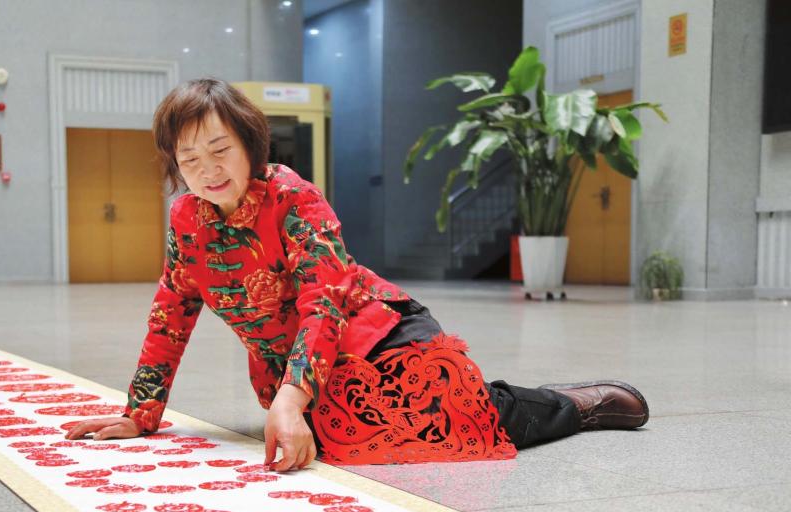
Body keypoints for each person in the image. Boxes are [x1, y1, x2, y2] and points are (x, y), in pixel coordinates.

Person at [66, 78, 648, 471]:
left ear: (249, 143)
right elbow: (170, 313)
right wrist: (139, 414)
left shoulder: (292, 196)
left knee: (453, 421)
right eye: (189, 159)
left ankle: (572, 405)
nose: (207, 170)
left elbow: (324, 301)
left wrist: (290, 397)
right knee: (342, 441)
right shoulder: (185, 220)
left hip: (376, 334)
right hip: (301, 371)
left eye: (220, 150)